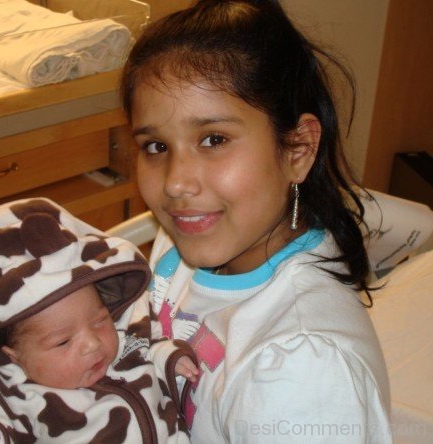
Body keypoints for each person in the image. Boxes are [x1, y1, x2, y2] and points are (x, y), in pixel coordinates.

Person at [119, 0, 392, 442]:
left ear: (298, 150)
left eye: (213, 139)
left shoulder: (302, 371)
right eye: (155, 146)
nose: (175, 184)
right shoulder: (187, 241)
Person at [0, 197, 196, 443]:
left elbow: (153, 346)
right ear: (14, 357)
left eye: (99, 319)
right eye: (63, 341)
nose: (92, 343)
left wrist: (168, 358)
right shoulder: (9, 396)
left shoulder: (127, 338)